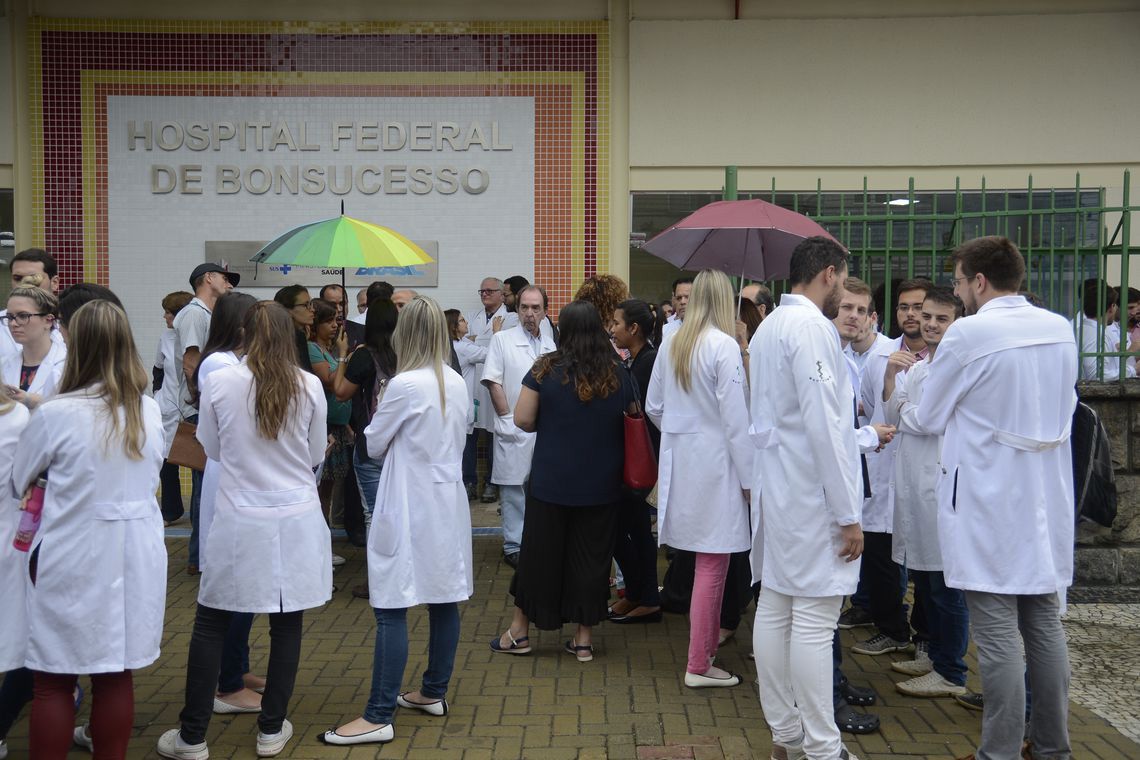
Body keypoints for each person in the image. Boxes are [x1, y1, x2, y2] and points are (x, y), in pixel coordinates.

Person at [915, 236, 1077, 760]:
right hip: (1044, 496)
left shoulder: (969, 333)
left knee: (999, 634)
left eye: (960, 283)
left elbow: (930, 414)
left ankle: (1000, 752)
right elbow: (1067, 404)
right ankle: (1053, 747)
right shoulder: (1060, 328)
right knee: (1044, 624)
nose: (958, 293)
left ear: (979, 282)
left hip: (987, 497)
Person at [158, 301, 330, 760]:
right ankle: (271, 729)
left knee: (211, 620)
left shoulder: (220, 381)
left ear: (245, 335)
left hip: (239, 515)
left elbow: (211, 446)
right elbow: (314, 453)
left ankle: (192, 736)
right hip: (294, 516)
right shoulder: (309, 384)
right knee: (286, 623)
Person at [11, 300, 167, 759]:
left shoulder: (57, 413)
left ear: (73, 346)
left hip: (71, 550)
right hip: (135, 552)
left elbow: (20, 477)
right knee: (115, 673)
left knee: (53, 679)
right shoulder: (148, 410)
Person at [323, 296, 472, 746]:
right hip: (447, 501)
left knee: (391, 605)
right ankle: (432, 691)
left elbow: (372, 444)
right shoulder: (455, 380)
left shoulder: (404, 384)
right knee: (443, 598)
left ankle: (379, 712)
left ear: (405, 334)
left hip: (408, 498)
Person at [749, 236, 865, 760]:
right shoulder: (814, 329)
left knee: (775, 607)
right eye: (842, 280)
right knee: (815, 619)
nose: (842, 290)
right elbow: (827, 426)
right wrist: (847, 513)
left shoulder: (770, 324)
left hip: (778, 485)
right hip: (810, 491)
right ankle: (821, 747)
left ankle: (787, 736)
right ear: (829, 273)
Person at [491, 300, 634, 661]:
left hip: (552, 480)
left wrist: (553, 424)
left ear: (564, 330)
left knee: (540, 556)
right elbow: (634, 416)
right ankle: (583, 640)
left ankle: (520, 633)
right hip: (602, 483)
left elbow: (522, 419)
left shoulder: (545, 368)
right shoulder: (618, 371)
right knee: (591, 560)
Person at [646, 269, 752, 689]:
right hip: (719, 464)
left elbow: (654, 405)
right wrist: (748, 478)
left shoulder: (673, 341)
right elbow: (736, 420)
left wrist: (682, 430)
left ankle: (701, 656)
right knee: (714, 562)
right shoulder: (723, 346)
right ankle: (699, 661)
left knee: (701, 559)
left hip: (682, 460)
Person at [881, 285, 970, 699]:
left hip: (941, 486)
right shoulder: (916, 368)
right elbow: (893, 415)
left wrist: (906, 410)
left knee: (945, 585)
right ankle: (933, 653)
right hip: (915, 486)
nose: (930, 324)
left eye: (941, 318)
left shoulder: (956, 369)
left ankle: (951, 669)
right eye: (926, 316)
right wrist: (891, 380)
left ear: (957, 323)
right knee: (925, 578)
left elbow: (929, 422)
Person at [190, 292, 264, 716]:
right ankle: (227, 684)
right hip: (230, 477)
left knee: (245, 585)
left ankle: (236, 668)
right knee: (237, 585)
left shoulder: (229, 361)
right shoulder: (222, 364)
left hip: (234, 476)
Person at [851, 278, 932, 658]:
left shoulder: (944, 357)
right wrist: (889, 379)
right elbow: (872, 409)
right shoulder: (879, 359)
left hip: (926, 470)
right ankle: (891, 628)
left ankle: (929, 641)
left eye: (919, 308)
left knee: (928, 568)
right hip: (885, 468)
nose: (912, 315)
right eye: (904, 308)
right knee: (882, 555)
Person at [481, 285, 557, 568]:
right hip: (513, 425)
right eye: (524, 307)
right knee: (513, 490)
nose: (529, 313)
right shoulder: (502, 340)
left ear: (545, 312)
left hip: (543, 428)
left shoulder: (550, 345)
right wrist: (506, 418)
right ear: (517, 309)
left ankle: (536, 541)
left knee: (538, 488)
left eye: (536, 308)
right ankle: (513, 545)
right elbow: (493, 380)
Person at [176, 262, 238, 575]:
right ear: (208, 278)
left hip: (206, 404)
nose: (229, 284)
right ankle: (198, 557)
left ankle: (203, 554)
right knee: (204, 483)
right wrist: (200, 399)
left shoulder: (208, 313)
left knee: (208, 483)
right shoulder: (194, 313)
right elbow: (191, 361)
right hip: (199, 407)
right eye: (225, 278)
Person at [608, 299, 662, 624]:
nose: (612, 329)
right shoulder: (637, 359)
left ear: (633, 329)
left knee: (634, 530)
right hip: (636, 462)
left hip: (642, 464)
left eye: (616, 323)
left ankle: (647, 598)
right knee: (629, 528)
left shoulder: (648, 362)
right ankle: (639, 593)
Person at [465, 277, 518, 504]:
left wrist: (480, 342)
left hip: (496, 384)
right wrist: (482, 342)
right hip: (473, 385)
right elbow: (465, 344)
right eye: (482, 290)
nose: (484, 294)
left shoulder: (512, 318)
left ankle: (491, 483)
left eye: (489, 290)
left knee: (495, 435)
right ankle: (468, 481)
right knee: (470, 434)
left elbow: (503, 350)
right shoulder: (472, 317)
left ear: (500, 294)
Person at [0, 386, 31, 760]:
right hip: (13, 535)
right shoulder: (17, 418)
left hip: (13, 535)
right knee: (22, 640)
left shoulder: (19, 417)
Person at [308, 299, 354, 532]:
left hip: (337, 425)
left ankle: (324, 535)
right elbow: (329, 380)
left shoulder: (329, 349)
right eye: (327, 321)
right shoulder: (313, 349)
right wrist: (345, 355)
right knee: (319, 486)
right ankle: (319, 534)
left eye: (335, 320)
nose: (334, 325)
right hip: (323, 428)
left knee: (328, 488)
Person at [155, 291, 194, 524]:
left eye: (169, 313)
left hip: (192, 407)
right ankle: (171, 510)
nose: (165, 317)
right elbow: (158, 368)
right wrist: (158, 393)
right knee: (165, 461)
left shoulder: (198, 334)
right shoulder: (165, 337)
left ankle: (199, 513)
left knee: (195, 460)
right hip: (167, 405)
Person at [446, 308, 492, 500]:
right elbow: (490, 353)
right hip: (461, 406)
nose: (466, 323)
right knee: (466, 445)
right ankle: (469, 484)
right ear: (454, 327)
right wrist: (496, 334)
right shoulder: (463, 348)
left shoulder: (456, 345)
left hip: (456, 405)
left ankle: (468, 483)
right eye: (462, 321)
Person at [1, 282, 65, 409]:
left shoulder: (68, 365)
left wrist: (33, 401)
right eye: (9, 316)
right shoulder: (3, 365)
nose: (13, 323)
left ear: (48, 321)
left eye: (23, 316)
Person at [0, 248, 62, 360]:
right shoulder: (2, 324)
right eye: (17, 278)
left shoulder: (71, 325)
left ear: (54, 283)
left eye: (34, 278)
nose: (24, 284)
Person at [1074, 280, 1133, 381]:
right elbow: (1096, 375)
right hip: (1095, 395)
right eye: (1116, 305)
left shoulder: (1084, 329)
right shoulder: (1096, 333)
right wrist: (1133, 369)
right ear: (1112, 307)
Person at [272, 284, 314, 373]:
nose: (312, 309)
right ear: (287, 309)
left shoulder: (277, 333)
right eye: (305, 305)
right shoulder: (296, 336)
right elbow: (306, 375)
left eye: (310, 304)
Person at [659, 277, 693, 342]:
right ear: (674, 300)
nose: (682, 302)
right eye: (679, 298)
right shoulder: (665, 331)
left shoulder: (708, 333)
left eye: (687, 297)